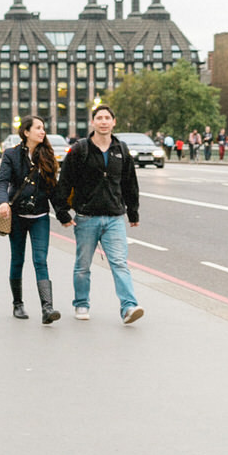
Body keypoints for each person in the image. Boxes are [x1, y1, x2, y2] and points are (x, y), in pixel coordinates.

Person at [54, 105, 143, 324]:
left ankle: (129, 307)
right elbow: (64, 182)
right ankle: (81, 304)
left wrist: (133, 211)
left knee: (120, 263)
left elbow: (130, 182)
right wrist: (62, 213)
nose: (103, 121)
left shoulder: (121, 150)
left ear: (114, 122)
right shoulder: (79, 150)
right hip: (86, 217)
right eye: (99, 118)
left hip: (114, 218)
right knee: (83, 265)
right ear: (92, 123)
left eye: (107, 118)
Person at [0, 114, 63, 323]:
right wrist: (3, 201)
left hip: (40, 216)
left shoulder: (48, 156)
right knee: (18, 259)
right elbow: (2, 181)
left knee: (40, 260)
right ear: (26, 132)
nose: (43, 131)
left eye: (43, 128)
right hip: (17, 217)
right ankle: (18, 304)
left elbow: (53, 190)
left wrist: (63, 214)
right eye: (38, 128)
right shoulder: (11, 155)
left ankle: (47, 308)